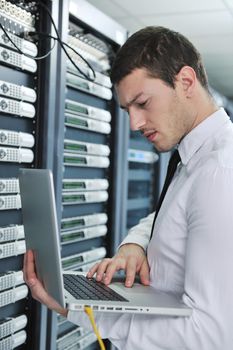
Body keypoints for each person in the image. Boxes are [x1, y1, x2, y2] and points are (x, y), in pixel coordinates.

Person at [23, 26, 233, 349]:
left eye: (143, 103)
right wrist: (135, 244)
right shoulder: (194, 158)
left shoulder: (219, 172)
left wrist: (96, 314)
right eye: (127, 110)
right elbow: (170, 216)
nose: (134, 124)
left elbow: (211, 336)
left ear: (186, 82)